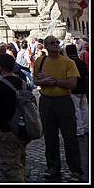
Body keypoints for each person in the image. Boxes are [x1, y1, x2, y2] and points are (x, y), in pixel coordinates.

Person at [33, 35, 83, 182]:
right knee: (49, 136)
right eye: (52, 43)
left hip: (64, 101)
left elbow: (72, 84)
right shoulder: (40, 61)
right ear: (46, 46)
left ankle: (75, 170)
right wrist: (43, 81)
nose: (56, 44)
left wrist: (53, 81)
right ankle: (52, 167)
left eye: (57, 42)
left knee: (70, 136)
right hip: (46, 101)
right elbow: (36, 80)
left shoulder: (68, 62)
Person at [0, 53, 29, 182]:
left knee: (10, 166)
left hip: (7, 129)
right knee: (21, 160)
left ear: (0, 68)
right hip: (23, 129)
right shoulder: (23, 83)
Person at [65, 44, 88, 137]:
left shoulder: (70, 62)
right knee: (84, 109)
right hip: (83, 88)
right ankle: (86, 127)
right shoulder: (81, 61)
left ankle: (79, 129)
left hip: (74, 89)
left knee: (76, 110)